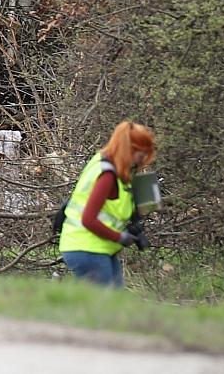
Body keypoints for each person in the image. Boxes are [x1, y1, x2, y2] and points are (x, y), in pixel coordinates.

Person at [58, 121, 156, 287]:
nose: (141, 162)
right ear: (129, 149)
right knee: (103, 307)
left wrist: (132, 227)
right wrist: (120, 237)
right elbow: (88, 219)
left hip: (95, 248)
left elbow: (111, 211)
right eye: (141, 156)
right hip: (86, 249)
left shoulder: (106, 164)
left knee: (111, 304)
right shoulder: (107, 176)